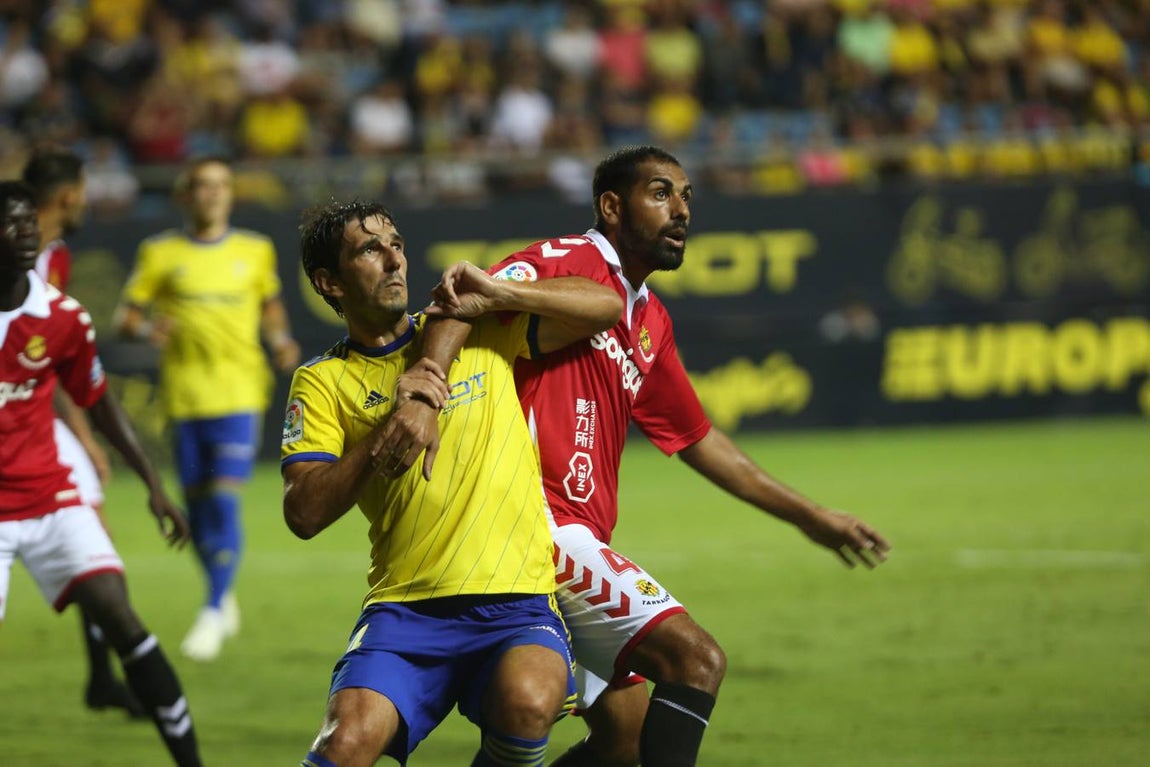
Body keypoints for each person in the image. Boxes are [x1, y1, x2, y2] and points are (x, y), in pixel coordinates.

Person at [386, 145, 893, 767]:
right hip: (533, 523)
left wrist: (808, 516)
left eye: (685, 197)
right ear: (611, 206)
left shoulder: (649, 318)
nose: (680, 210)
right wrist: (425, 388)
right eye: (661, 194)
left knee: (624, 740)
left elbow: (697, 437)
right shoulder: (569, 260)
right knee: (694, 659)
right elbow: (460, 297)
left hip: (575, 532)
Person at [282, 199, 623, 767]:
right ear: (328, 282)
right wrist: (395, 424)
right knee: (342, 744)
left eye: (396, 244)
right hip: (406, 609)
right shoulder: (322, 381)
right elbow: (303, 512)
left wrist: (504, 292)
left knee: (529, 701)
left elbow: (606, 305)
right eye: (369, 249)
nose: (393, 260)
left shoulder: (475, 327)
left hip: (515, 600)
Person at [0, 180, 203, 766]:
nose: (25, 235)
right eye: (10, 224)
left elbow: (100, 402)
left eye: (28, 224)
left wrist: (155, 486)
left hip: (50, 497)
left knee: (122, 617)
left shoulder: (62, 318)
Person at [113, 156, 301, 662]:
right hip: (185, 393)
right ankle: (221, 587)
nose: (214, 193)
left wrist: (280, 340)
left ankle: (214, 607)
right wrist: (145, 328)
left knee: (223, 500)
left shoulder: (255, 250)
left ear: (231, 194)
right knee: (194, 509)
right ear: (185, 195)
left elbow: (271, 305)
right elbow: (125, 315)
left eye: (222, 185)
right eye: (203, 185)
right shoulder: (160, 253)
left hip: (240, 390)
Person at [22, 145, 146, 718]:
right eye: (85, 190)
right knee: (89, 534)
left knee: (92, 532)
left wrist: (82, 432)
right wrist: (88, 437)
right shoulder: (21, 253)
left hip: (39, 413)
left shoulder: (57, 257)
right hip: (19, 421)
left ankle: (102, 677)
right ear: (70, 194)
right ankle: (105, 674)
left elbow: (55, 361)